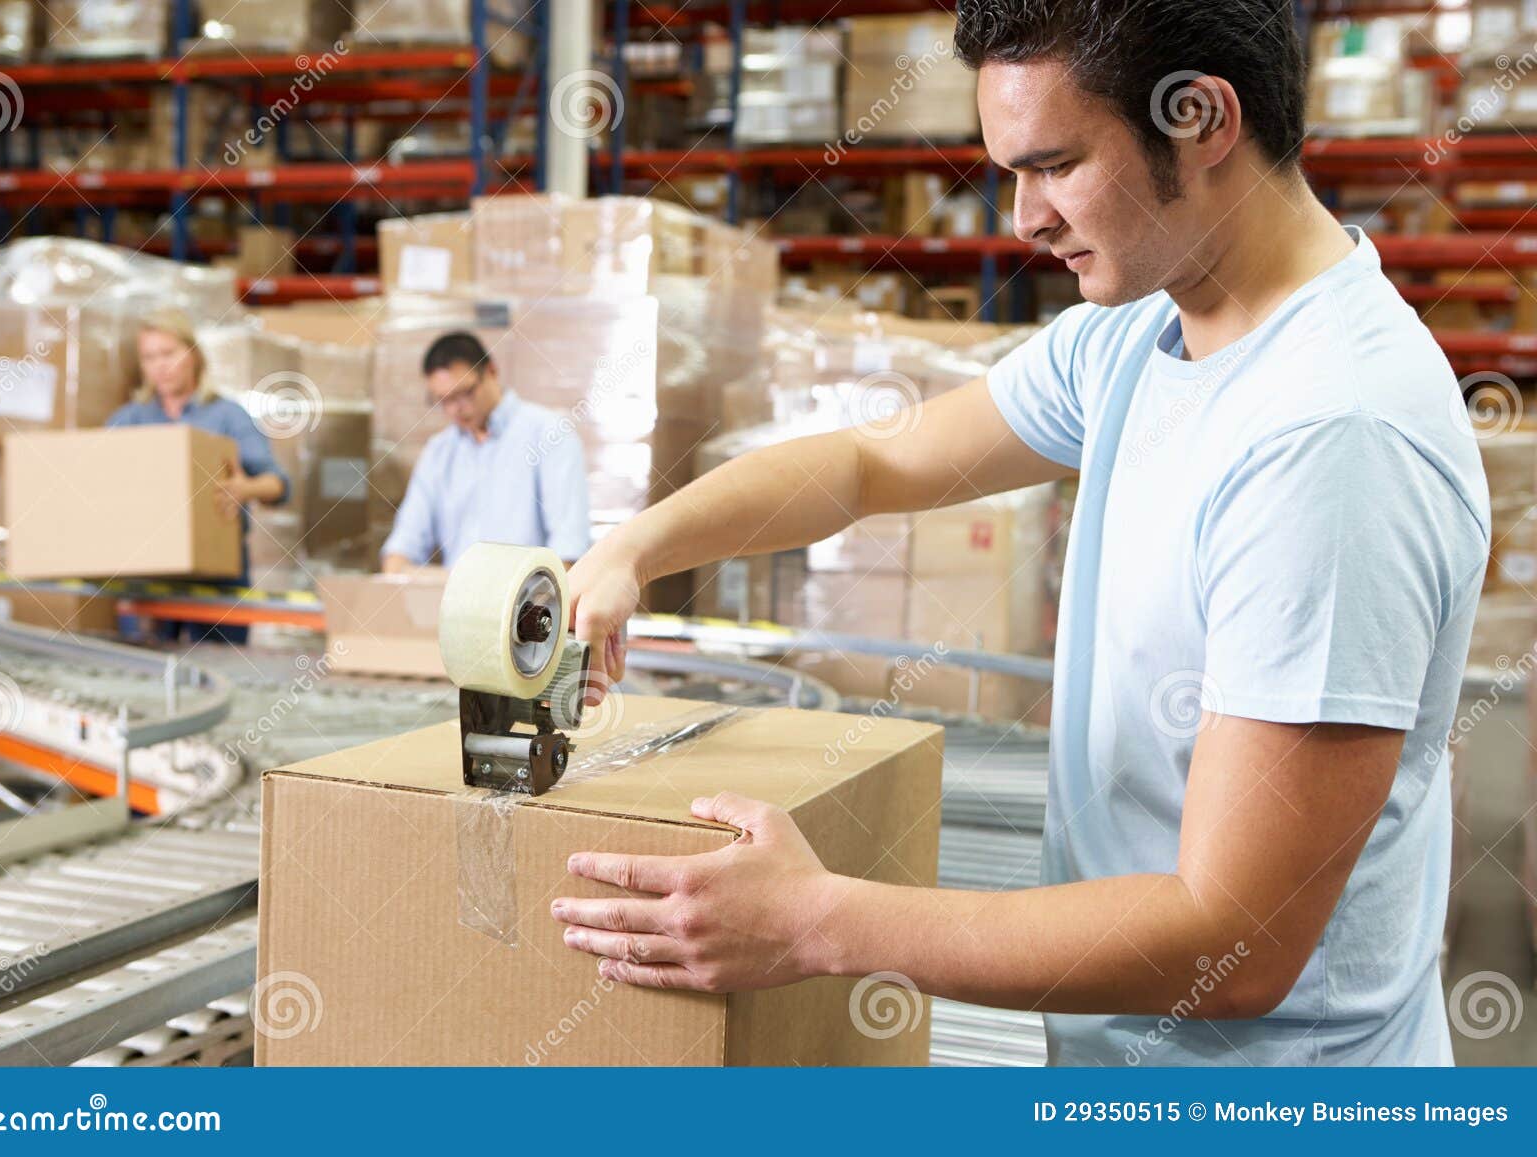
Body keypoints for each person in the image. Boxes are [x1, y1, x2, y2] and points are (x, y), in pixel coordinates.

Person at [549, 0, 1492, 1066]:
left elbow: (1235, 937)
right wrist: (633, 549)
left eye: (1053, 164)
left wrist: (818, 920)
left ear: (1204, 119)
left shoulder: (1331, 440)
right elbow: (874, 461)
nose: (1022, 217)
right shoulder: (1139, 332)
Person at [106, 309, 291, 646]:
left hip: (218, 573)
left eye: (168, 353)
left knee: (221, 672)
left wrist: (245, 488)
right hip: (147, 575)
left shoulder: (226, 416)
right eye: (149, 357)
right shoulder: (129, 419)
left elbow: (278, 485)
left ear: (193, 355)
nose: (159, 365)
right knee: (145, 679)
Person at [379, 332, 591, 572]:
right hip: (454, 603)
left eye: (465, 393)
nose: (456, 409)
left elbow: (569, 548)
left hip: (527, 604)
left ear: (491, 371)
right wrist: (397, 574)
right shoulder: (439, 451)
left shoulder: (550, 435)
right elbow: (403, 546)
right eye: (444, 400)